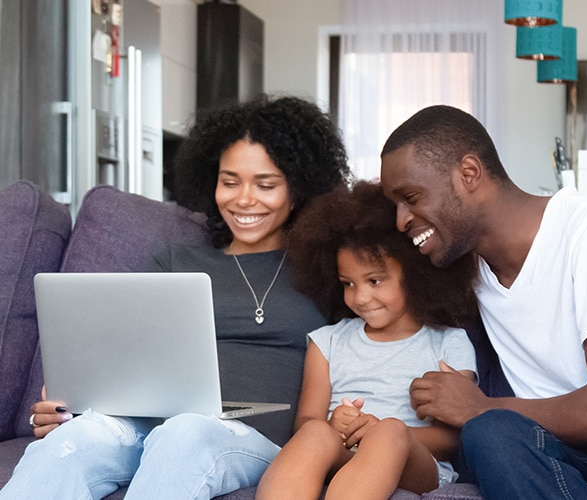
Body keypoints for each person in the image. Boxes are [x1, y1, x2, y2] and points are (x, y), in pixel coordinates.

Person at [0, 95, 351, 499]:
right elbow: (123, 357)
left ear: (299, 189)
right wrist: (73, 408)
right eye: (230, 181)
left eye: (266, 184)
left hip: (248, 438)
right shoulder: (175, 261)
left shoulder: (326, 268)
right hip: (147, 424)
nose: (243, 199)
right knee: (70, 444)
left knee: (186, 433)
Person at [378, 104, 587, 499]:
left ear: (468, 173)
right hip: (554, 451)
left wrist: (480, 405)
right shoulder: (462, 272)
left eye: (411, 198)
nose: (401, 220)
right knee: (489, 433)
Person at [255, 181, 479, 500]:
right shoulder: (327, 341)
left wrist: (375, 432)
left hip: (416, 462)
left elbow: (449, 439)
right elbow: (306, 420)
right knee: (315, 432)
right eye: (348, 283)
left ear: (415, 274)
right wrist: (334, 424)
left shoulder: (449, 342)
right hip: (343, 453)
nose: (360, 297)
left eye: (374, 280)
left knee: (389, 431)